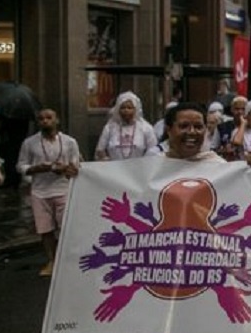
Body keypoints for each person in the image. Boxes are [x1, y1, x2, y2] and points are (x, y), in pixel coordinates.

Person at [117, 102, 223, 333]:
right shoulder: (150, 169)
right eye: (184, 126)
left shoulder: (220, 166)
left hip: (203, 269)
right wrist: (81, 177)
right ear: (169, 130)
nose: (192, 133)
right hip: (157, 270)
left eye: (198, 126)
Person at [16, 108, 81, 277]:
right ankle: (51, 260)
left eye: (49, 117)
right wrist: (37, 168)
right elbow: (20, 166)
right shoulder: (29, 143)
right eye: (41, 119)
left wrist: (66, 169)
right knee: (45, 229)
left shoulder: (69, 142)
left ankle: (66, 259)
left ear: (57, 120)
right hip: (40, 192)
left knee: (66, 227)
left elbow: (76, 166)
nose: (45, 121)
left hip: (63, 190)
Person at [95, 91, 157, 161]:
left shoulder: (146, 128)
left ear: (136, 109)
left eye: (129, 108)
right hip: (114, 168)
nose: (126, 110)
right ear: (118, 109)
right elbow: (100, 150)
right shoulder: (109, 127)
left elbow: (153, 151)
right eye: (123, 108)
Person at [215, 95, 248, 161]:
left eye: (243, 109)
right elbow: (213, 149)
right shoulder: (222, 127)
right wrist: (224, 150)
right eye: (237, 109)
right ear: (232, 110)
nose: (240, 112)